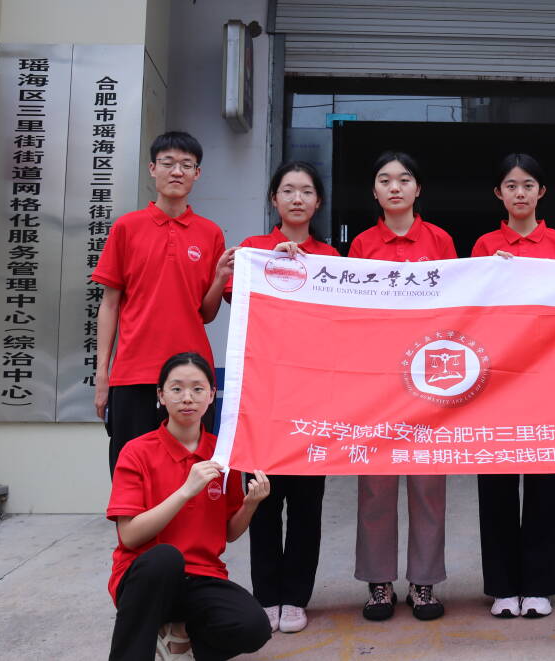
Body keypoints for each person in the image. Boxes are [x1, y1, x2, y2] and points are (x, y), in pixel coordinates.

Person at [222, 161, 339, 635]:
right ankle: (266, 595)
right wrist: (273, 264)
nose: (296, 199)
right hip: (261, 398)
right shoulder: (253, 250)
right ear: (274, 199)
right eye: (287, 190)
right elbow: (235, 300)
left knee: (307, 506)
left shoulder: (331, 257)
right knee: (263, 500)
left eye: (306, 191)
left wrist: (306, 266)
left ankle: (296, 597)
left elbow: (341, 321)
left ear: (318, 202)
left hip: (312, 398)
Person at [106, 351, 273, 661]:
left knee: (254, 627)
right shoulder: (136, 452)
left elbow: (230, 532)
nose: (187, 398)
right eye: (177, 388)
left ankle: (182, 645)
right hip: (146, 578)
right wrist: (185, 491)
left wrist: (250, 505)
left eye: (198, 389)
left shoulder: (222, 453)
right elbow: (129, 536)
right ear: (161, 395)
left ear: (211, 395)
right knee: (166, 557)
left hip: (201, 575)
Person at [348, 150, 457, 621]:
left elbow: (458, 303)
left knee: (428, 483)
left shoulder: (440, 240)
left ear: (418, 188)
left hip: (429, 379)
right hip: (377, 382)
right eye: (385, 180)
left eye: (404, 179)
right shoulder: (361, 245)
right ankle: (379, 583)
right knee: (376, 485)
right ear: (374, 191)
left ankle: (423, 582)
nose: (395, 187)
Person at [470, 153, 555, 619]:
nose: (520, 193)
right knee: (496, 482)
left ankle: (538, 585)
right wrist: (490, 274)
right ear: (499, 193)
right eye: (511, 185)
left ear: (541, 192)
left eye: (528, 185)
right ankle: (502, 587)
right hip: (495, 379)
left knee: (546, 482)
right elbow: (470, 308)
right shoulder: (484, 245)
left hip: (548, 378)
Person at [92, 131, 230, 474]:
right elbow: (109, 305)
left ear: (197, 173)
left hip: (192, 377)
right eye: (168, 163)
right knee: (131, 473)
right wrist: (102, 374)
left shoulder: (210, 233)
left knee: (191, 474)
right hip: (133, 374)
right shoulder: (126, 228)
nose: (177, 171)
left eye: (187, 164)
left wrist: (219, 279)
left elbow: (206, 314)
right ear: (153, 169)